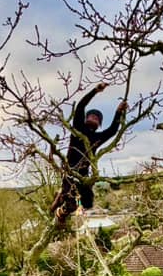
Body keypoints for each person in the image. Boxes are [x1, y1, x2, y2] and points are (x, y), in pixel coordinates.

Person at [51, 83, 127, 225]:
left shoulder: (97, 138)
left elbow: (112, 131)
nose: (94, 119)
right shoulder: (78, 128)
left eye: (97, 118)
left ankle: (61, 198)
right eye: (91, 116)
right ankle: (60, 209)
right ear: (86, 119)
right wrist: (95, 91)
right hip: (70, 170)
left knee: (87, 203)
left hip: (84, 174)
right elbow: (80, 107)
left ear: (99, 124)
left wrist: (118, 112)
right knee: (71, 202)